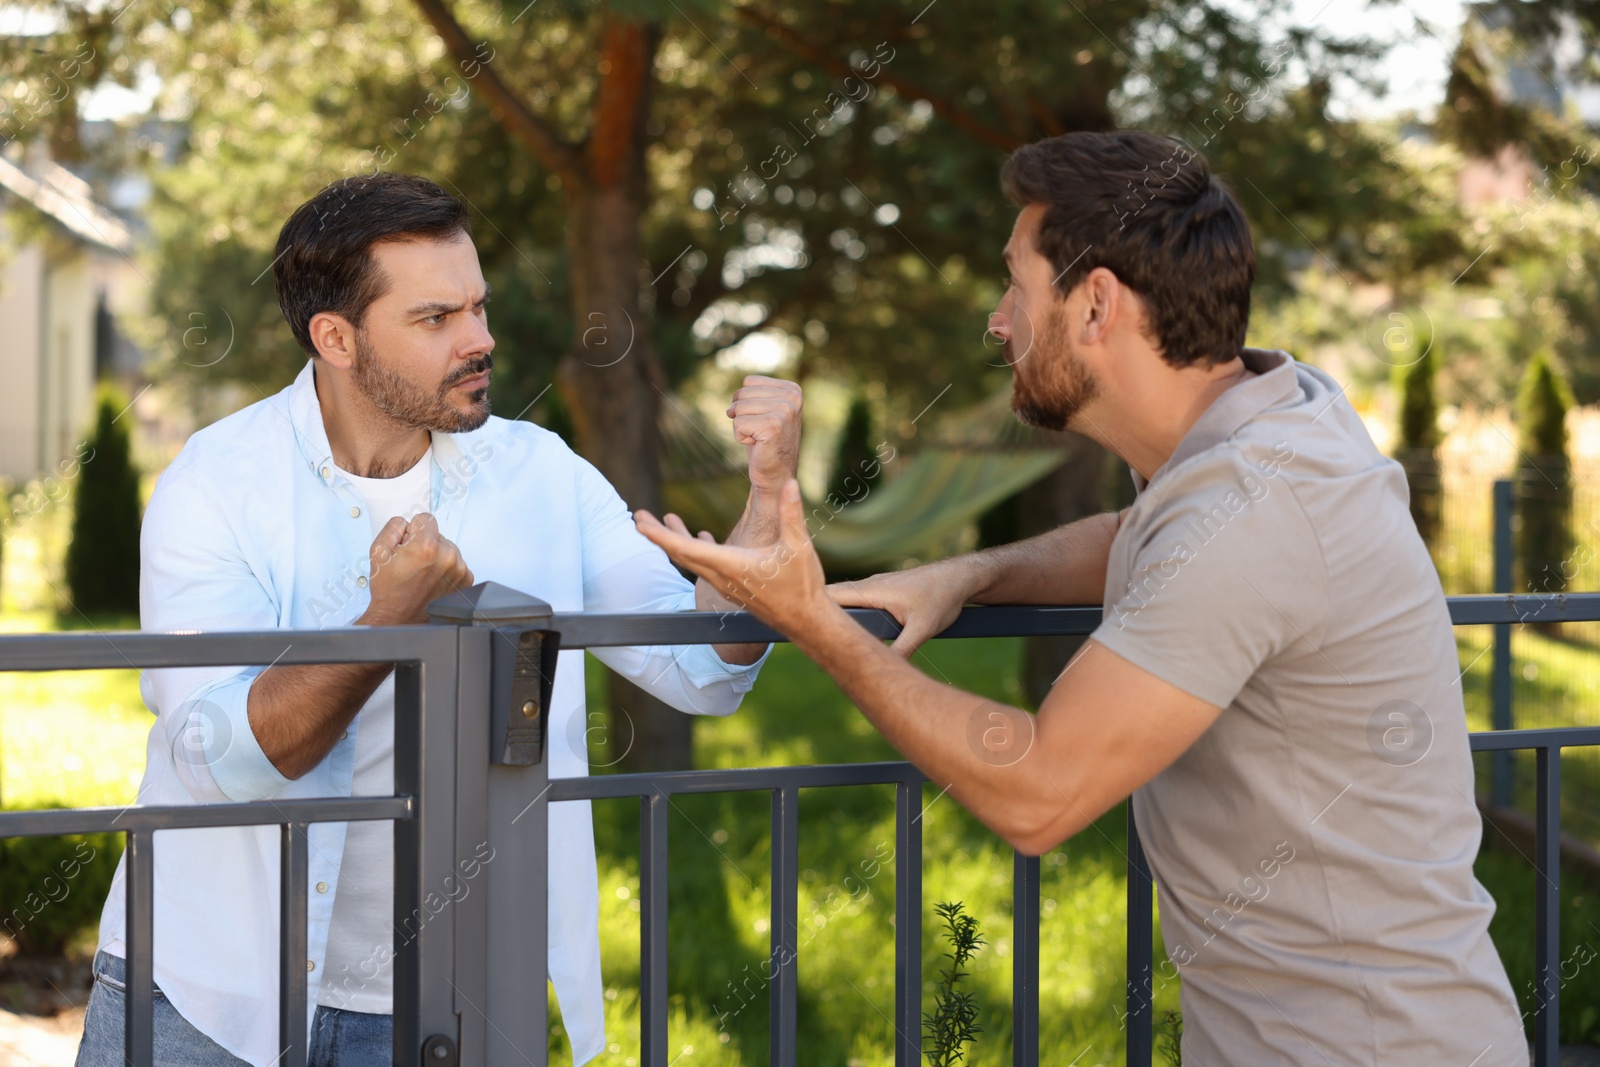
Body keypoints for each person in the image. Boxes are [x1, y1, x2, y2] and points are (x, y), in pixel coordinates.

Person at [636, 131, 1527, 1065]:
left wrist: (812, 619)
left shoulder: (1255, 504)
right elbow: (1139, 541)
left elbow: (1040, 793)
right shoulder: (1270, 421)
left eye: (1015, 286)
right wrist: (966, 574)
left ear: (1097, 302)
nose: (997, 321)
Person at [76, 172, 800, 1067]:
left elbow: (703, 670)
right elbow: (225, 759)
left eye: (478, 308)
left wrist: (766, 502)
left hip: (450, 1005)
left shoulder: (545, 474)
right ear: (335, 337)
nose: (480, 340)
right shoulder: (216, 483)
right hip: (209, 991)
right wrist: (390, 621)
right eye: (436, 319)